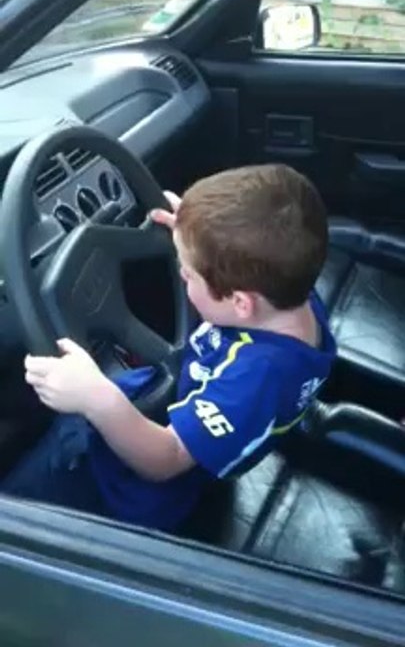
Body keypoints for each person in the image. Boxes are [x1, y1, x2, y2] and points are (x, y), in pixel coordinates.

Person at [1, 164, 336, 531]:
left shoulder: (256, 378)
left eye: (188, 273)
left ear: (241, 303)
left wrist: (96, 398)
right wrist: (197, 237)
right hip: (180, 396)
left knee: (25, 497)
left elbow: (166, 459)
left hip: (131, 485)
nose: (180, 273)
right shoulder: (289, 296)